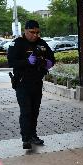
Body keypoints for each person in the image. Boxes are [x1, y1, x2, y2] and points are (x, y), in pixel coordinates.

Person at [7, 20, 55, 149]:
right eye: (32, 32)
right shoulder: (17, 43)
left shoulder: (41, 43)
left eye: (37, 32)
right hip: (22, 83)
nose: (35, 35)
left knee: (34, 111)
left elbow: (52, 58)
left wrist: (47, 63)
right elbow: (11, 62)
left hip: (36, 82)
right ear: (26, 31)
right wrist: (27, 62)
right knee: (26, 111)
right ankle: (26, 138)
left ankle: (33, 135)